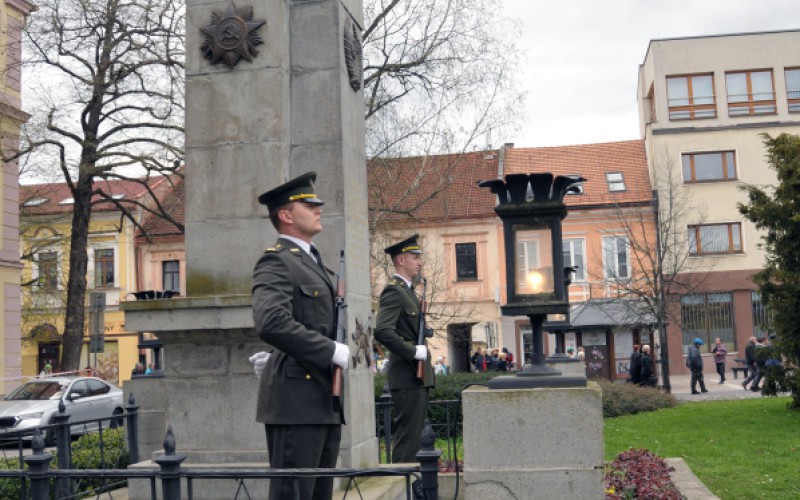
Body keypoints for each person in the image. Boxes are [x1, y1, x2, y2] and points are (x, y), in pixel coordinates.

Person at [249, 171, 349, 500]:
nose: (319, 209)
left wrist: (280, 354)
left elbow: (311, 323)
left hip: (322, 398)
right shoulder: (277, 261)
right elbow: (271, 321)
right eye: (308, 205)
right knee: (293, 495)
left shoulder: (313, 262)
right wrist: (330, 351)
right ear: (286, 215)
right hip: (296, 402)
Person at [374, 234, 434, 465]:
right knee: (408, 440)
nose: (420, 262)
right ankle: (403, 481)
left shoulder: (408, 291)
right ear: (401, 260)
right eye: (415, 257)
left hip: (416, 376)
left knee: (416, 438)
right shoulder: (394, 291)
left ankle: (413, 480)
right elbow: (383, 331)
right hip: (407, 374)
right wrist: (413, 351)